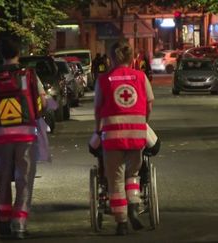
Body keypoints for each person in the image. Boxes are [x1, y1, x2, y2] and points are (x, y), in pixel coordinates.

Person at [0, 36, 46, 240]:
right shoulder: (28, 75)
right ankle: (20, 223)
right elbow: (41, 100)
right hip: (25, 134)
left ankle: (3, 222)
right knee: (24, 180)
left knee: (3, 177)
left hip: (0, 136)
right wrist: (38, 114)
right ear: (19, 53)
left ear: (0, 53)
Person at [93, 39, 154, 235]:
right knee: (133, 174)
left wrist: (97, 129)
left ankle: (121, 223)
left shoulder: (103, 80)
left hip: (112, 136)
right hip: (136, 135)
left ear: (111, 58)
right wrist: (142, 122)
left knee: (115, 180)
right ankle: (134, 209)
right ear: (132, 58)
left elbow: (98, 108)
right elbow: (149, 104)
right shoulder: (140, 76)